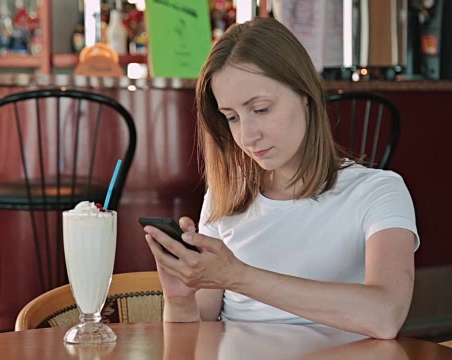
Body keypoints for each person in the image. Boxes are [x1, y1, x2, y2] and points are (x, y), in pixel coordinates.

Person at [142, 17, 419, 340]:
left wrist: (238, 276)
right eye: (232, 117)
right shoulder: (225, 197)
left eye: (260, 109)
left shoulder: (378, 192)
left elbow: (385, 315)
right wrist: (179, 299)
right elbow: (194, 335)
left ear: (305, 95)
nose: (247, 136)